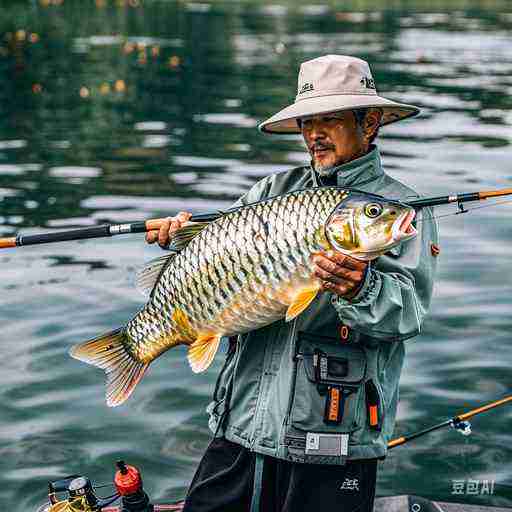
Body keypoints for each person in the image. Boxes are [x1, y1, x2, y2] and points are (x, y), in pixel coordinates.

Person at [146, 55, 438, 512]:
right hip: (241, 422)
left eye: (330, 119)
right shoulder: (269, 192)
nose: (314, 133)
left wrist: (361, 289)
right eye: (307, 121)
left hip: (333, 435)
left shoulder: (402, 209)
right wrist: (183, 241)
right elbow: (219, 257)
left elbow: (408, 313)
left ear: (371, 122)